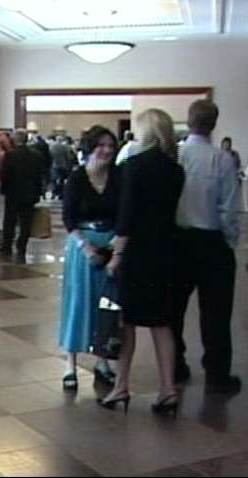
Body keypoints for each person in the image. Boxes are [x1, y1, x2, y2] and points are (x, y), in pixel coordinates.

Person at [99, 109, 185, 415]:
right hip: (166, 251)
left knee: (127, 323)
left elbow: (127, 216)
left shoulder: (133, 167)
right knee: (162, 324)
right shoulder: (176, 170)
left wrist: (117, 255)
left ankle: (121, 386)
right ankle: (167, 389)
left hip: (137, 254)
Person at [170, 100, 242, 395]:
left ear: (188, 122)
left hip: (179, 240)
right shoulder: (222, 159)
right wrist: (230, 241)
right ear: (214, 123)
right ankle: (217, 372)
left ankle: (174, 364)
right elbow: (229, 208)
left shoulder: (176, 156)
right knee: (216, 312)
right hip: (212, 241)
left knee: (174, 308)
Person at [58, 126, 120, 391]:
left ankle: (102, 360)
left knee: (107, 306)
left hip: (111, 243)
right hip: (83, 244)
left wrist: (117, 245)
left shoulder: (118, 177)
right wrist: (85, 247)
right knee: (78, 302)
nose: (106, 150)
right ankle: (70, 364)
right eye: (101, 145)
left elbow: (125, 213)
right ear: (90, 147)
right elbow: (69, 217)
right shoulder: (77, 178)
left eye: (110, 145)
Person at [0, 129, 44, 264]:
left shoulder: (10, 155)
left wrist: (4, 190)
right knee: (26, 222)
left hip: (13, 193)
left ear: (15, 140)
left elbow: (5, 175)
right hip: (29, 193)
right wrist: (38, 192)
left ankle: (7, 246)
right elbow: (39, 176)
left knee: (10, 220)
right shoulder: (36, 155)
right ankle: (21, 245)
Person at [49, 134, 75, 200]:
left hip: (54, 165)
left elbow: (50, 156)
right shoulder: (65, 147)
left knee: (54, 180)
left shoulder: (52, 147)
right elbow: (68, 157)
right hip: (63, 166)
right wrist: (69, 165)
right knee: (62, 181)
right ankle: (61, 194)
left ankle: (54, 193)